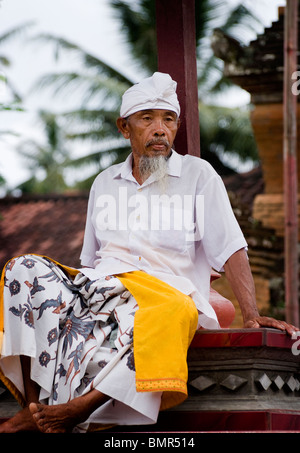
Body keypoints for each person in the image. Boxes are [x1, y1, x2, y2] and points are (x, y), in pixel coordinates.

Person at [0, 72, 298, 433]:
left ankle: (79, 408)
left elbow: (231, 248)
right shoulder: (104, 182)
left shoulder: (199, 176)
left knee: (171, 309)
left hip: (166, 297)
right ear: (125, 128)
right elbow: (89, 262)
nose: (160, 129)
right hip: (103, 288)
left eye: (168, 119)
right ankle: (35, 407)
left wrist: (252, 315)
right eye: (148, 119)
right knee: (22, 269)